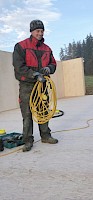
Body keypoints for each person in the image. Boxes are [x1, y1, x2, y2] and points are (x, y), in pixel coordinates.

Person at [12, 19, 58, 152]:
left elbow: (53, 64)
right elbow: (18, 67)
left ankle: (45, 136)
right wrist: (34, 74)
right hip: (27, 85)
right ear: (31, 31)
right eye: (38, 31)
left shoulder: (47, 49)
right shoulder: (20, 46)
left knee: (43, 111)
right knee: (27, 113)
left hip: (42, 85)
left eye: (42, 31)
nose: (40, 33)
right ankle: (27, 140)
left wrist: (48, 69)